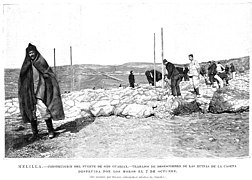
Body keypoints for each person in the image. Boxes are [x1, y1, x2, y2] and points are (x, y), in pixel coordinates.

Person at [18, 43, 65, 141]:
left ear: (35, 52)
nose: (31, 54)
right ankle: (35, 134)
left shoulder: (41, 61)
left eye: (32, 52)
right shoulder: (26, 65)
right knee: (31, 112)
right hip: (30, 92)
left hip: (40, 91)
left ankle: (50, 130)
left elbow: (49, 74)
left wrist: (48, 81)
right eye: (29, 53)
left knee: (44, 109)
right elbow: (22, 78)